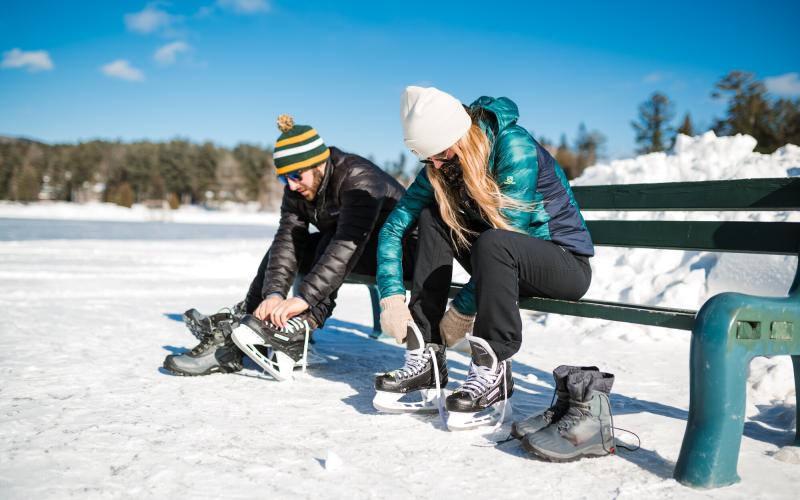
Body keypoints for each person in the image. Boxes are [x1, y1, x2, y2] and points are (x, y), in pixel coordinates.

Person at [373, 86, 595, 432]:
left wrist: (461, 311)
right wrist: (390, 298)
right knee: (432, 217)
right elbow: (392, 230)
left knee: (494, 242)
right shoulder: (440, 164)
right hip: (502, 259)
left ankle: (493, 371)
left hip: (563, 263)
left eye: (442, 154)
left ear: (459, 137)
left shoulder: (513, 146)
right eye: (427, 159)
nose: (436, 165)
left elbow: (511, 235)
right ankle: (428, 357)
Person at [164, 115, 413, 380]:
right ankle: (241, 328)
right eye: (284, 179)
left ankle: (299, 329)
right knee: (292, 243)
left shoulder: (358, 178)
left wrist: (303, 299)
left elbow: (346, 243)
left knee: (329, 241)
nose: (292, 185)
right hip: (353, 249)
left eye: (296, 176)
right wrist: (273, 294)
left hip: (403, 256)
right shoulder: (296, 190)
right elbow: (286, 241)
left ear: (319, 163)